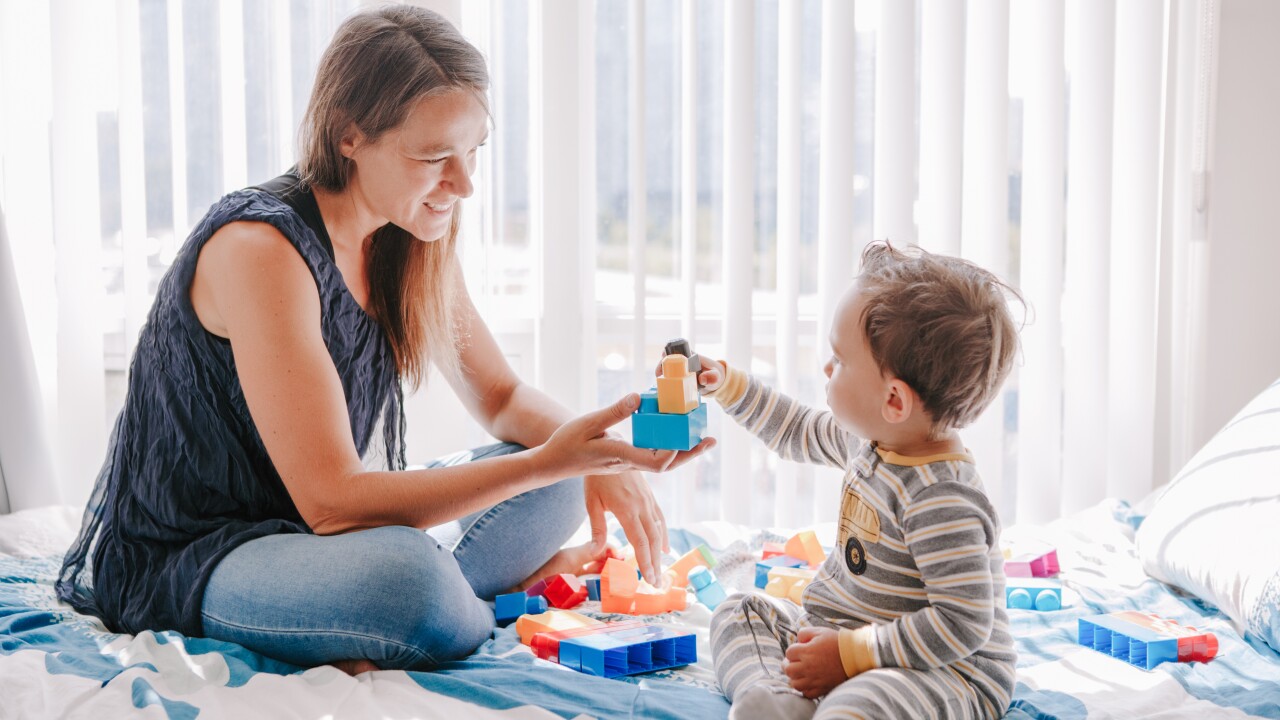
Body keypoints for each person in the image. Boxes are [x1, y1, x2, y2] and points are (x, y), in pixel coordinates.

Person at [56, 5, 712, 674]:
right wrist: (552, 459)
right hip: (201, 554)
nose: (465, 184)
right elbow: (333, 502)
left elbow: (503, 395)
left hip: (320, 543)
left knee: (560, 483)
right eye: (434, 157)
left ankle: (421, 608)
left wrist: (603, 461)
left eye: (473, 151)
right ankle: (477, 602)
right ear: (348, 136)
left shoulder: (411, 233)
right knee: (411, 584)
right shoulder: (260, 249)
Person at [695, 241, 1021, 719]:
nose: (827, 368)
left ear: (894, 400)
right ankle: (778, 700)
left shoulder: (941, 497)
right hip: (845, 635)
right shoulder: (870, 440)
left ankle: (833, 705)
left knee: (865, 701)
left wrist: (850, 657)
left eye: (840, 359)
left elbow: (963, 624)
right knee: (740, 612)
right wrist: (729, 385)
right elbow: (795, 430)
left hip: (944, 670)